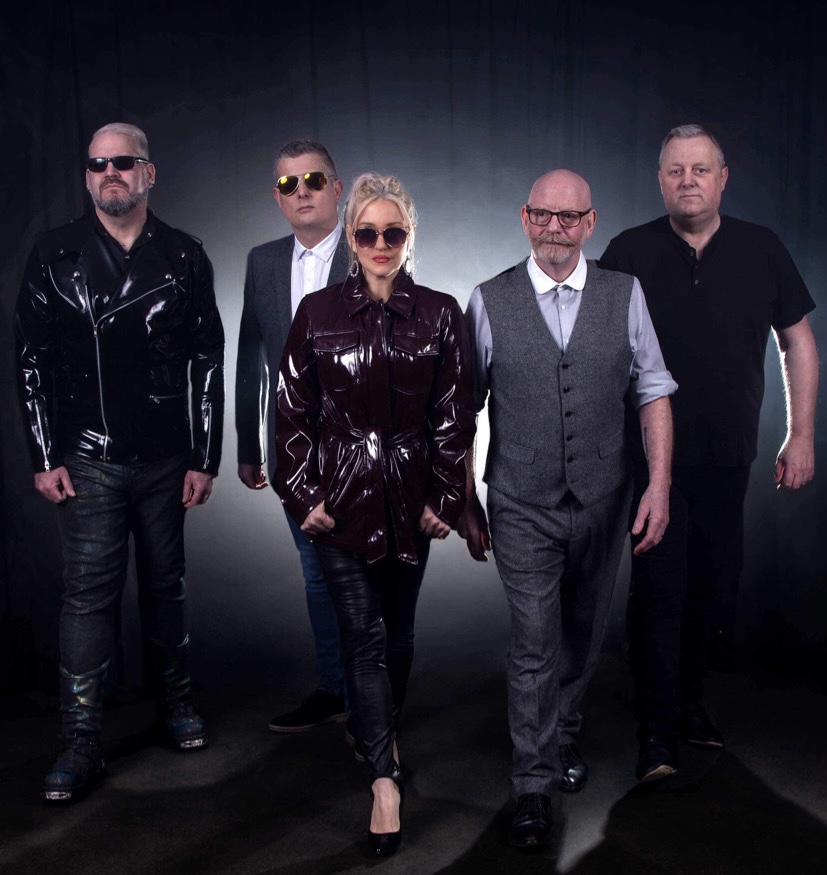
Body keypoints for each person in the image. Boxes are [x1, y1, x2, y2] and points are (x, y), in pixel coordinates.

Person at [459, 169, 676, 851]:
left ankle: (563, 735)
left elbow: (652, 389)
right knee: (534, 640)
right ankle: (533, 785)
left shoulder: (625, 294)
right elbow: (459, 410)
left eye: (569, 216)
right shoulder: (488, 299)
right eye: (543, 215)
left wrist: (659, 485)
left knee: (582, 633)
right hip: (520, 499)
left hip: (605, 496)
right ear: (525, 218)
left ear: (589, 223)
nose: (554, 227)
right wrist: (464, 498)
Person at [599, 124, 818, 783]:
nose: (687, 180)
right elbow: (593, 347)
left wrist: (801, 432)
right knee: (659, 589)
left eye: (700, 169)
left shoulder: (761, 248)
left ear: (722, 179)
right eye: (675, 170)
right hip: (648, 461)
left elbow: (798, 341)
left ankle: (688, 702)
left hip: (728, 456)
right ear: (660, 181)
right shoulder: (628, 251)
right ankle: (656, 729)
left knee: (713, 589)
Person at [15, 122, 225, 803]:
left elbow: (207, 358)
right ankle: (80, 738)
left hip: (166, 456)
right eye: (98, 164)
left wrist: (205, 455)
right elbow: (31, 360)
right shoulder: (54, 253)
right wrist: (44, 454)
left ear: (148, 173)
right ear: (87, 176)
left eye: (124, 163)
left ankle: (176, 702)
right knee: (87, 596)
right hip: (87, 455)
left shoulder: (184, 255)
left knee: (166, 584)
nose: (111, 173)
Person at [276, 172, 475, 856]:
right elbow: (291, 412)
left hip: (410, 500)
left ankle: (377, 732)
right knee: (361, 636)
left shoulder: (441, 314)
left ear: (409, 236)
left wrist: (444, 496)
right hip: (340, 504)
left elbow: (454, 416)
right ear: (351, 239)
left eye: (393, 232)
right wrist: (303, 494)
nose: (380, 244)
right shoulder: (317, 311)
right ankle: (385, 780)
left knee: (398, 635)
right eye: (367, 232)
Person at [235, 139, 351, 733]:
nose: (301, 191)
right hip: (291, 452)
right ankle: (335, 689)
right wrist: (248, 446)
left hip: (361, 451)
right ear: (278, 197)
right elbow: (249, 356)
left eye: (313, 180)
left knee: (363, 575)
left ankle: (373, 697)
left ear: (337, 189)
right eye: (288, 184)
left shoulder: (371, 246)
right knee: (316, 575)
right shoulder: (262, 261)